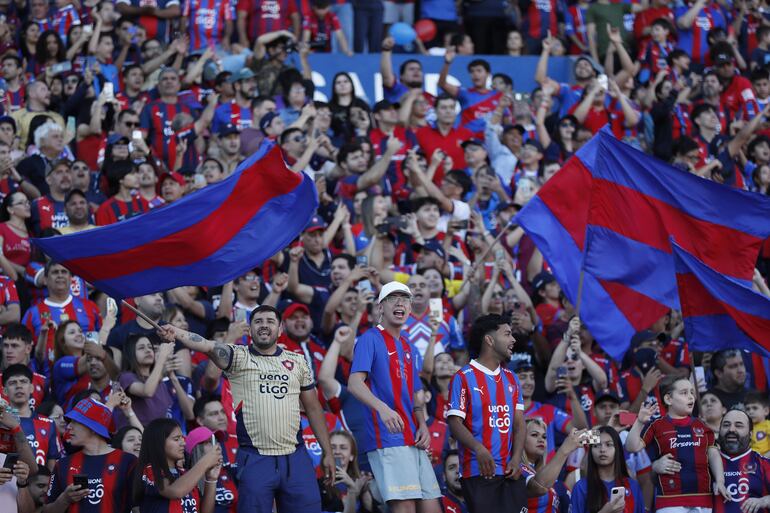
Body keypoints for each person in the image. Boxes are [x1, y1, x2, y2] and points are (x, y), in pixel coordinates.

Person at [158, 304, 335, 513]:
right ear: (250, 330)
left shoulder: (297, 362)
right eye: (258, 321)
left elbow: (313, 408)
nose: (264, 325)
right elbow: (204, 344)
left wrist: (328, 452)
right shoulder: (238, 356)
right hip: (255, 458)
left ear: (280, 330)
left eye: (270, 321)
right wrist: (174, 331)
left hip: (295, 457)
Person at [348, 281, 442, 513]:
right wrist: (383, 409)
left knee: (431, 507)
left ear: (410, 309)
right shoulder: (369, 338)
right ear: (380, 307)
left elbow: (415, 394)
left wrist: (422, 423)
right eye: (393, 298)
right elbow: (354, 383)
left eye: (405, 299)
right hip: (388, 436)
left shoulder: (408, 345)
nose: (400, 303)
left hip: (413, 436)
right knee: (405, 506)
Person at [447, 313, 526, 513]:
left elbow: (519, 423)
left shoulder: (512, 379)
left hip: (510, 471)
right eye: (507, 334)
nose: (513, 339)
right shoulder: (463, 377)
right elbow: (455, 422)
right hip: (478, 471)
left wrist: (517, 458)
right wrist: (479, 449)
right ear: (489, 340)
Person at [626, 376, 732, 510]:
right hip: (669, 501)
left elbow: (713, 454)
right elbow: (632, 447)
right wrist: (640, 422)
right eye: (684, 393)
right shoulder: (656, 425)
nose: (691, 397)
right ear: (668, 399)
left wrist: (720, 481)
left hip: (703, 500)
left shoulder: (702, 426)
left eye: (692, 392)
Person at [46, 397, 137, 513]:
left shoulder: (128, 461)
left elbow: (139, 507)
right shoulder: (63, 464)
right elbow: (46, 510)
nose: (69, 427)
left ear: (94, 428)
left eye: (75, 422)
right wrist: (65, 499)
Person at [134, 418, 222, 513]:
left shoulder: (184, 473)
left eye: (182, 438)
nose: (183, 443)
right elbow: (175, 491)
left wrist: (211, 479)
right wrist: (205, 462)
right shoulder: (149, 470)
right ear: (158, 442)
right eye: (176, 439)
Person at [570, 426, 645, 513]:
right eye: (596, 445)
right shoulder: (581, 487)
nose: (602, 450)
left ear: (618, 450)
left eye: (609, 444)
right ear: (591, 452)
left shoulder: (633, 486)